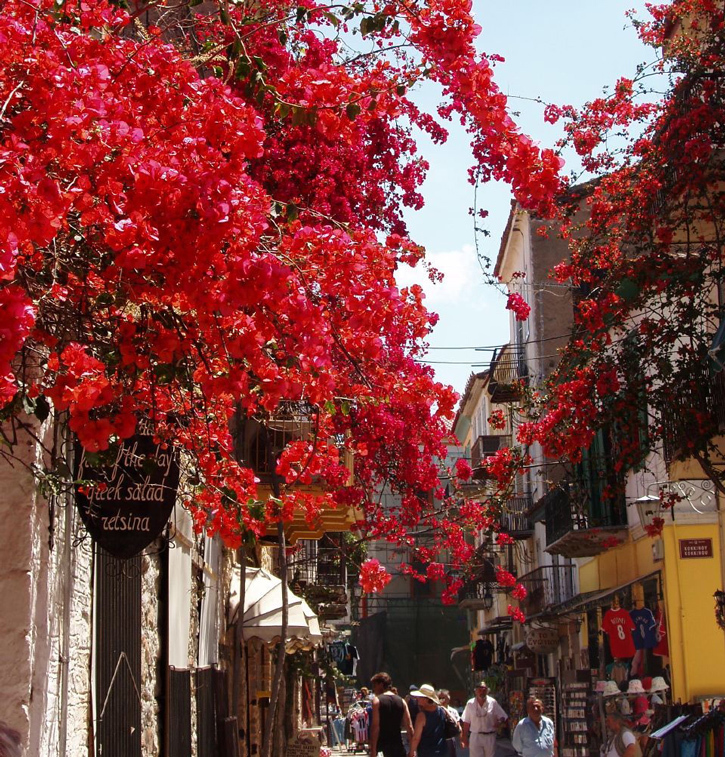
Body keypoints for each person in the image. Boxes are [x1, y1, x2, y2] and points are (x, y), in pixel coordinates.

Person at [370, 671, 414, 757]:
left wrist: (373, 751)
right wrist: (412, 750)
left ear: (381, 684)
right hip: (398, 747)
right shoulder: (402, 701)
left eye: (374, 686)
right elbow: (409, 727)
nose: (374, 689)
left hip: (382, 747)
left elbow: (375, 727)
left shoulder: (377, 701)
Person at [461, 681, 508, 757]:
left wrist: (499, 722)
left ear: (487, 691)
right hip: (475, 736)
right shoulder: (470, 703)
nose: (482, 692)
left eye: (484, 690)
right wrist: (464, 738)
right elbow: (466, 722)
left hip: (490, 736)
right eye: (480, 690)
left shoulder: (493, 702)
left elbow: (503, 716)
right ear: (475, 691)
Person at [409, 684, 448, 757]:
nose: (417, 698)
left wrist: (411, 752)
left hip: (427, 752)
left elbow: (416, 738)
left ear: (426, 699)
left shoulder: (421, 716)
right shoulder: (441, 710)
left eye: (419, 697)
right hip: (442, 751)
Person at [439, 690, 461, 757]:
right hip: (438, 739)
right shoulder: (434, 711)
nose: (442, 700)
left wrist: (461, 739)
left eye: (444, 698)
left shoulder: (453, 711)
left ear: (448, 699)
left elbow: (458, 726)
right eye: (440, 698)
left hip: (449, 739)